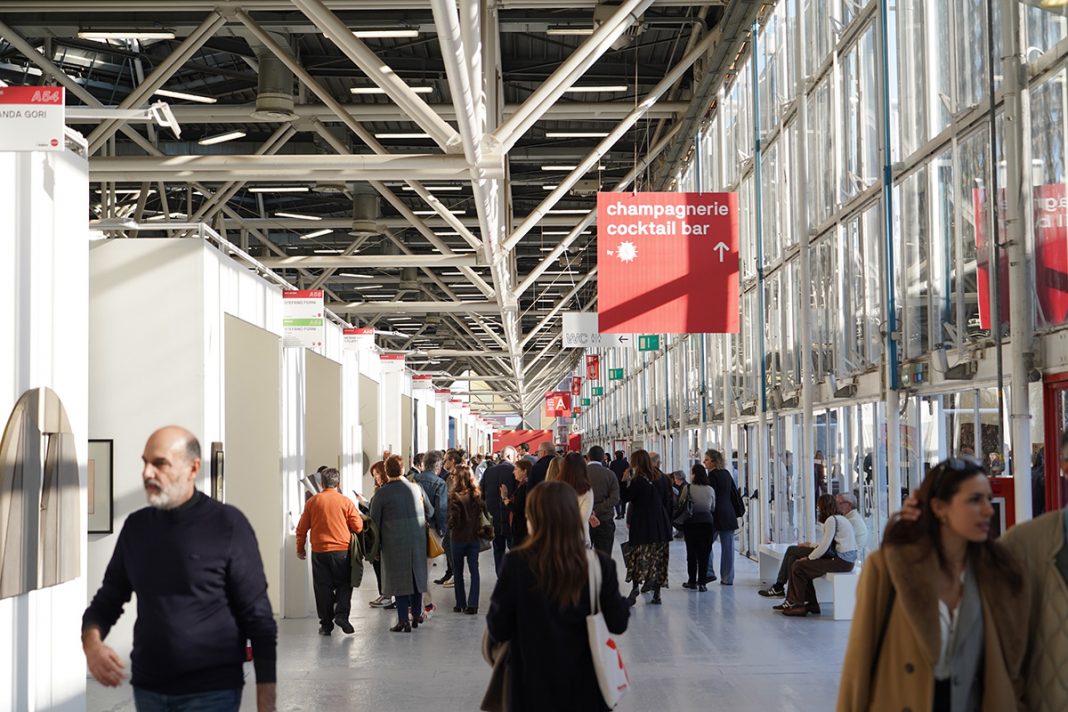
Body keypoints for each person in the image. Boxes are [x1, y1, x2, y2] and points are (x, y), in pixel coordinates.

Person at [82, 426, 277, 712]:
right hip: (149, 689)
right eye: (145, 462)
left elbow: (259, 618)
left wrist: (266, 704)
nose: (147, 472)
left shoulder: (228, 525)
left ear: (193, 468)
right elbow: (107, 600)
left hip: (211, 692)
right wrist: (92, 645)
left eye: (159, 463)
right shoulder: (137, 528)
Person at [837, 457, 1028, 711]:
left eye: (988, 499)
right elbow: (857, 667)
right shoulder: (886, 569)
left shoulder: (996, 573)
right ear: (939, 507)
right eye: (974, 500)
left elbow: (1012, 666)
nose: (988, 510)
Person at [486, 481, 629, 712]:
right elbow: (618, 623)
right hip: (586, 690)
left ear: (533, 517)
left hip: (529, 687)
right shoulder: (599, 565)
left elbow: (498, 627)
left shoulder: (516, 563)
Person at [369, 455, 434, 633]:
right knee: (416, 578)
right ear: (403, 469)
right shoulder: (417, 488)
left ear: (386, 472)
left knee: (399, 581)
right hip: (417, 540)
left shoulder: (381, 494)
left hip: (393, 543)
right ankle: (417, 615)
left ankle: (403, 620)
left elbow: (374, 523)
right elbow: (430, 511)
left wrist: (374, 549)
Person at [295, 467, 364, 635]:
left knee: (322, 588)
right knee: (345, 584)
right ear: (338, 483)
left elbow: (301, 528)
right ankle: (341, 615)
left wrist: (300, 548)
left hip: (319, 551)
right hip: (342, 551)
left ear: (321, 483)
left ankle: (326, 625)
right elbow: (358, 526)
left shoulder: (313, 502)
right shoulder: (345, 501)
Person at [779, 494, 857, 617]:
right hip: (845, 561)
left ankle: (798, 605)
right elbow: (828, 544)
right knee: (800, 564)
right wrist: (810, 546)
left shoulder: (831, 520)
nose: (818, 509)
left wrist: (809, 558)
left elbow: (825, 546)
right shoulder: (839, 518)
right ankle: (810, 604)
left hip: (841, 562)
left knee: (798, 566)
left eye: (819, 506)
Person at [620, 449, 673, 605]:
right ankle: (657, 593)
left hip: (642, 522)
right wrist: (667, 523)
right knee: (658, 557)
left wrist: (624, 481)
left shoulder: (638, 480)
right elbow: (669, 502)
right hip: (660, 523)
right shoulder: (663, 478)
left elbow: (626, 498)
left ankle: (635, 588)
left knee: (638, 555)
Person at [414, 451, 449, 619]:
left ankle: (421, 604)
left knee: (416, 568)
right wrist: (442, 531)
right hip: (431, 529)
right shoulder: (440, 483)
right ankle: (424, 606)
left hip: (414, 528)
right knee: (425, 570)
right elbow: (441, 510)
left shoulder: (414, 479)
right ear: (438, 466)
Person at [447, 464, 484, 614]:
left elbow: (453, 519)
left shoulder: (454, 496)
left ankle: (460, 603)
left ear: (459, 478)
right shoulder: (476, 494)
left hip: (458, 538)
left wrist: (449, 523)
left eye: (454, 475)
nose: (452, 477)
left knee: (458, 571)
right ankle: (473, 604)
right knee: (474, 571)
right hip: (474, 537)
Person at [703, 449, 741, 585]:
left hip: (714, 515)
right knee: (728, 548)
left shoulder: (711, 476)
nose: (704, 462)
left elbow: (710, 496)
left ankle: (708, 572)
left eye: (707, 459)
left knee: (705, 544)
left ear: (714, 461)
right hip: (728, 514)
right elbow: (733, 493)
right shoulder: (726, 474)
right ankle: (727, 578)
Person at [680, 463, 716, 592]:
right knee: (704, 554)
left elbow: (681, 504)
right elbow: (713, 507)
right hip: (707, 523)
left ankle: (692, 581)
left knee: (691, 553)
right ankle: (702, 583)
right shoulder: (710, 489)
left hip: (691, 523)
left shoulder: (688, 488)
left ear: (694, 474)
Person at [481, 445, 517, 573]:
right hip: (511, 518)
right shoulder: (514, 471)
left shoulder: (488, 471)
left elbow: (482, 492)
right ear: (509, 456)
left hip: (493, 517)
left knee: (498, 550)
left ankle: (500, 577)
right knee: (514, 550)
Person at [586, 446, 620, 556]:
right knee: (604, 557)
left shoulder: (580, 474)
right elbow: (615, 498)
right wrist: (597, 511)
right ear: (603, 458)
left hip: (585, 520)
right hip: (605, 519)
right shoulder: (610, 474)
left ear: (588, 457)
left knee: (583, 557)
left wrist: (590, 512)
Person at [434, 449, 461, 586]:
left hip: (455, 516)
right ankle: (451, 573)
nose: (444, 462)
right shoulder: (448, 476)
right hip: (451, 515)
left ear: (452, 461)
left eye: (446, 460)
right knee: (447, 544)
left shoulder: (456, 476)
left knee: (449, 545)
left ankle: (455, 574)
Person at [558, 452, 595, 547]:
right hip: (579, 537)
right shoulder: (586, 490)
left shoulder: (555, 487)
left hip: (558, 537)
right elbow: (583, 518)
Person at [503, 459, 532, 547]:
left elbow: (518, 509)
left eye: (516, 469)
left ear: (524, 471)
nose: (513, 472)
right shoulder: (525, 485)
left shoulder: (524, 487)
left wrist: (505, 499)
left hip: (521, 529)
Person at [835, 492, 869, 556]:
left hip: (850, 558)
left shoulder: (852, 521)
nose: (837, 506)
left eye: (839, 503)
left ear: (849, 504)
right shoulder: (851, 518)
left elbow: (839, 543)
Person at [609, 450, 629, 519]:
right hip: (623, 482)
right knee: (623, 498)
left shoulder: (613, 463)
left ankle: (618, 513)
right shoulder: (625, 463)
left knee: (616, 497)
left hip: (615, 482)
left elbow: (611, 472)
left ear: (616, 456)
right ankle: (623, 513)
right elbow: (628, 472)